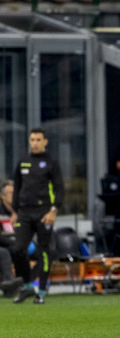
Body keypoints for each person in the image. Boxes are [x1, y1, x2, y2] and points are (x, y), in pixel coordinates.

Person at [11, 128, 64, 305]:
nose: (34, 143)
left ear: (45, 141)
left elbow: (59, 189)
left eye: (38, 140)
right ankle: (27, 286)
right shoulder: (23, 161)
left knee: (43, 252)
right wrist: (14, 212)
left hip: (44, 213)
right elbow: (17, 188)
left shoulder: (51, 163)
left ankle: (41, 291)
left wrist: (53, 210)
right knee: (18, 249)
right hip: (24, 213)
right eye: (32, 139)